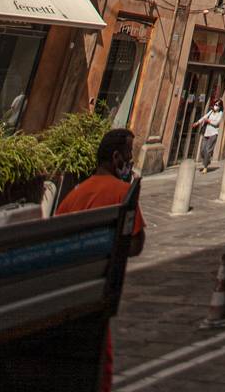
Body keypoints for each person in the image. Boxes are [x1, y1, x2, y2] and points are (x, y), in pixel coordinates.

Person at [56, 128, 144, 392]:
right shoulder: (121, 193)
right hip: (97, 291)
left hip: (66, 292)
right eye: (129, 154)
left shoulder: (74, 195)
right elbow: (137, 244)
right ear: (117, 158)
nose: (130, 160)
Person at [190, 96, 224, 171]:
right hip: (206, 133)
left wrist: (208, 121)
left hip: (213, 133)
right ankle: (207, 160)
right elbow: (204, 117)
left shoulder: (220, 113)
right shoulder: (211, 111)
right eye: (215, 104)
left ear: (220, 106)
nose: (215, 106)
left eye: (217, 105)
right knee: (202, 150)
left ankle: (205, 167)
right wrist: (197, 123)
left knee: (208, 150)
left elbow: (216, 123)